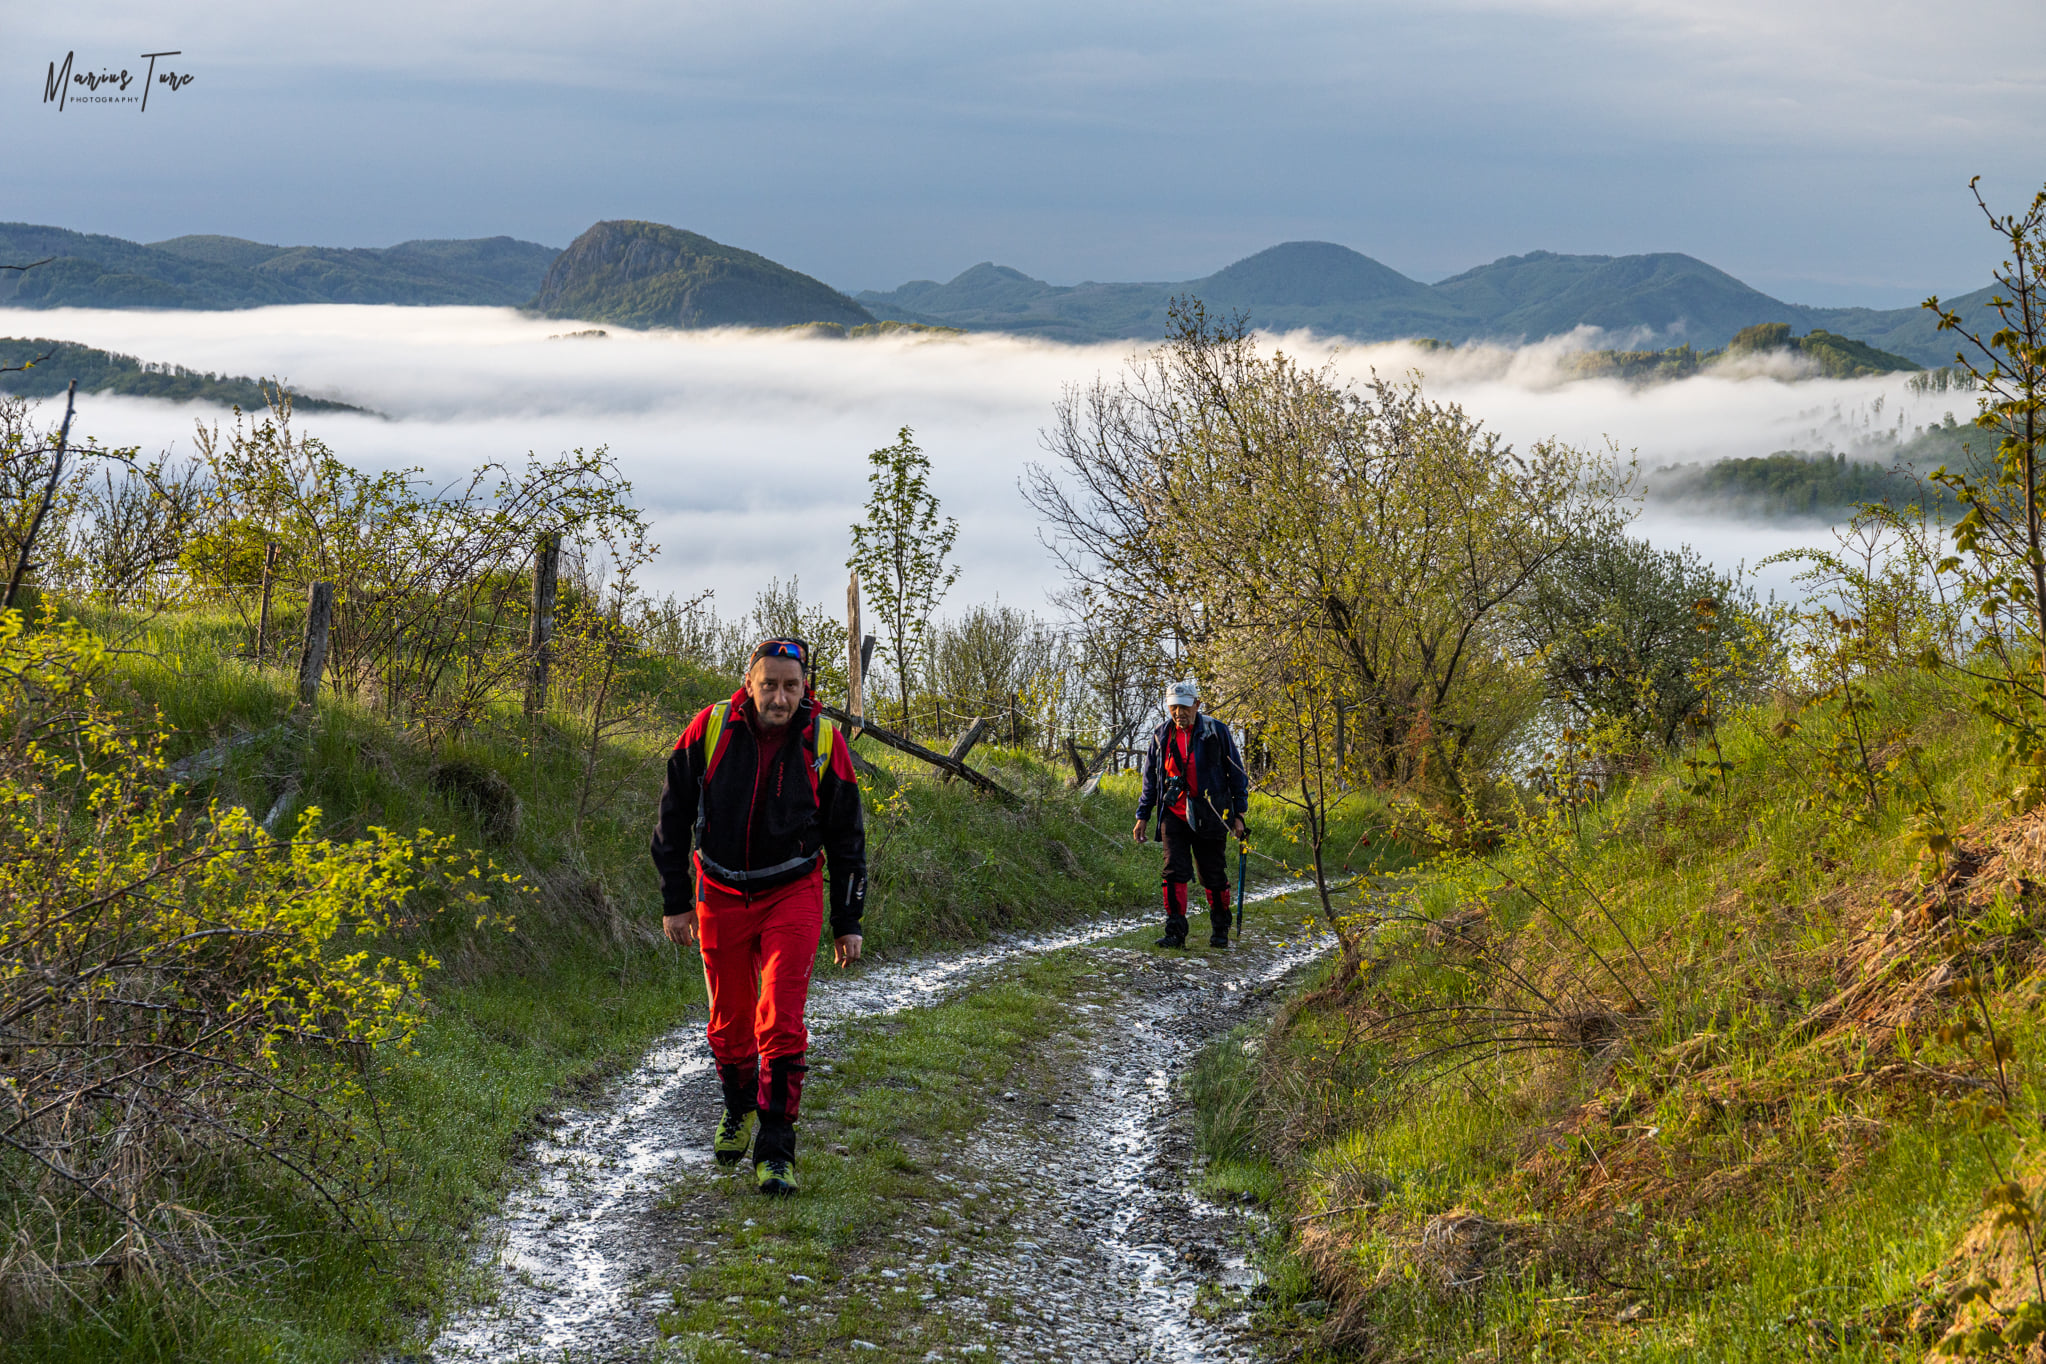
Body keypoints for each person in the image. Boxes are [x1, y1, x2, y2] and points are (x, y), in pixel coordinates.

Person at [651, 637, 867, 1196]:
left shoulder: (824, 740)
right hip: (718, 891)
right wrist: (676, 900)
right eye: (768, 684)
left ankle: (776, 1148)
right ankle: (738, 1105)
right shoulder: (710, 729)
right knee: (729, 1023)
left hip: (792, 892)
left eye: (790, 686)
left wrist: (848, 920)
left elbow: (848, 837)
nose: (779, 696)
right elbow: (671, 817)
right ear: (748, 683)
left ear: (804, 689)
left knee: (779, 1018)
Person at [1132, 681, 1249, 949]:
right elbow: (1150, 778)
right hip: (1173, 814)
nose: (1178, 713)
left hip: (1212, 812)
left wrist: (1238, 814)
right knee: (1173, 871)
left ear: (1197, 705)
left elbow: (1237, 775)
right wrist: (1143, 816)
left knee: (1213, 874)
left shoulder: (1216, 731)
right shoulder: (1161, 735)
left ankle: (1220, 929)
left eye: (1183, 707)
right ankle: (1175, 933)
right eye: (1173, 707)